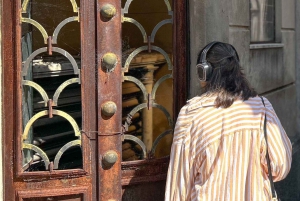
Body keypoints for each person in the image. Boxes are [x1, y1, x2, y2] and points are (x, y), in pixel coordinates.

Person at [165, 42, 292, 201]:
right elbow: (280, 167)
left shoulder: (191, 115)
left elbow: (178, 186)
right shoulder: (263, 108)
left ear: (205, 72)